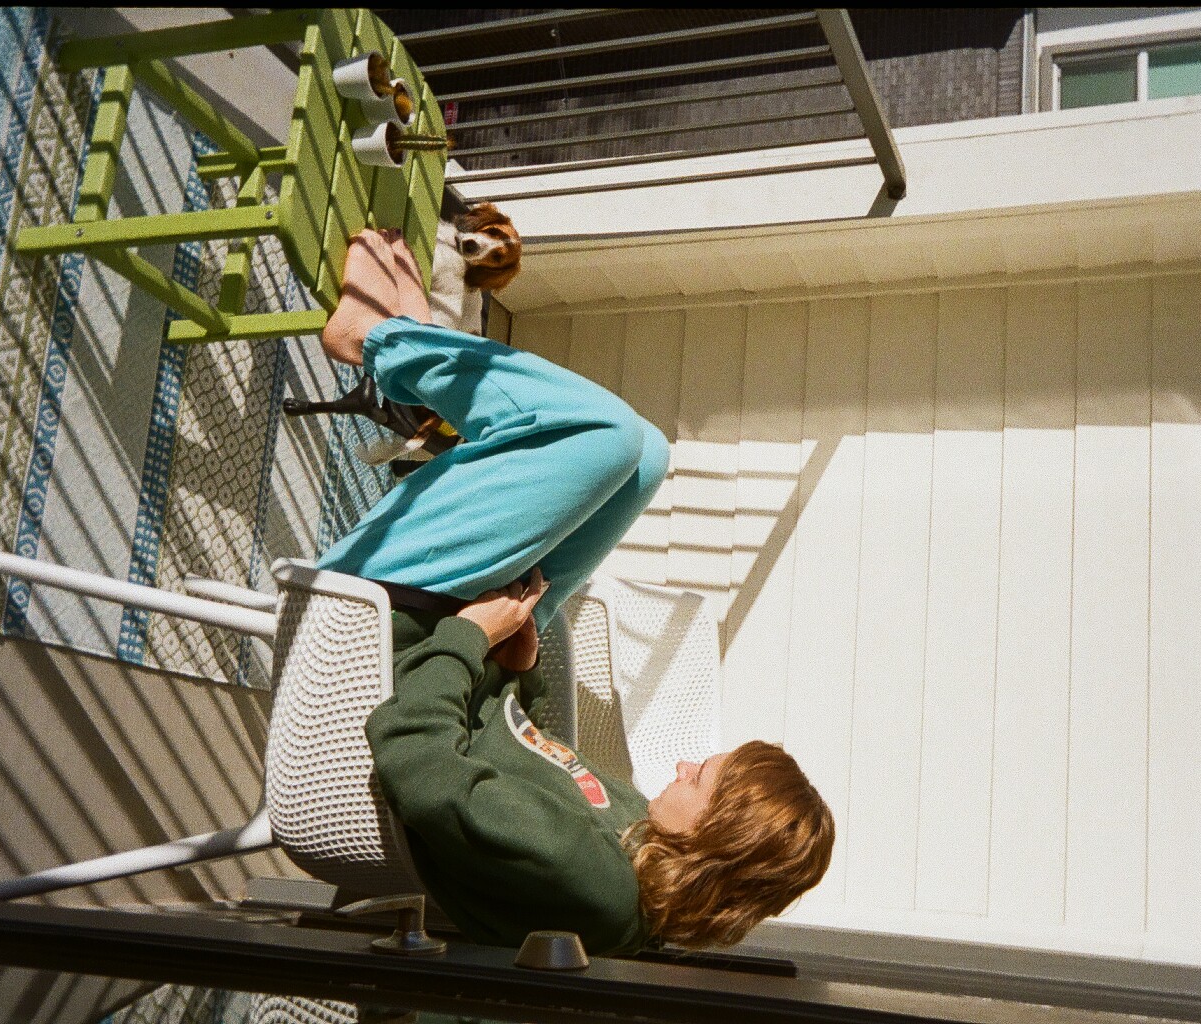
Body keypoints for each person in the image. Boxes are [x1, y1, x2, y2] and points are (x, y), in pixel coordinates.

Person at [314, 228, 835, 956]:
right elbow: (513, 748)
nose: (688, 763)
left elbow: (419, 764)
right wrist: (518, 665)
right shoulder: (640, 838)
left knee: (607, 437)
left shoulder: (587, 881)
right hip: (460, 650)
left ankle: (380, 340)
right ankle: (415, 344)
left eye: (705, 778)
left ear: (720, 839)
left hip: (382, 633)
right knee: (647, 454)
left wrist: (471, 636)